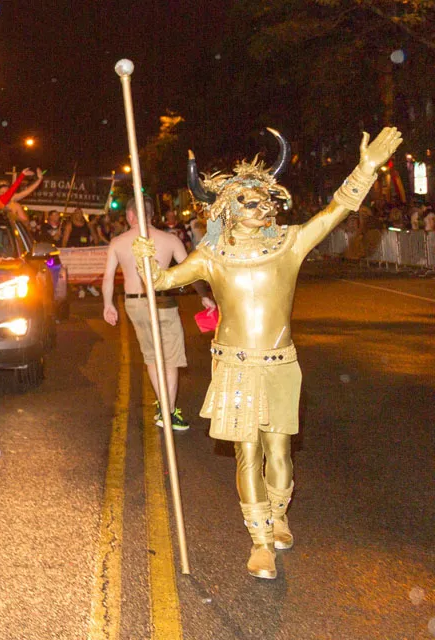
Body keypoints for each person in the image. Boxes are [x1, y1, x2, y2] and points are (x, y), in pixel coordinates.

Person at [133, 127, 401, 580]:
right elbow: (162, 282)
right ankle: (259, 541)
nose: (260, 206)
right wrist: (146, 260)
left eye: (264, 199)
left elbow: (335, 211)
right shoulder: (212, 254)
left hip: (281, 366)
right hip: (235, 368)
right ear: (227, 209)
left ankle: (278, 517)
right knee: (247, 452)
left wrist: (367, 168)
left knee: (279, 451)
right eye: (247, 201)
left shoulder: (290, 243)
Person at [103, 195, 215, 430]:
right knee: (170, 358)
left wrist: (108, 304)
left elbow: (108, 278)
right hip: (162, 302)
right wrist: (204, 296)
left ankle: (164, 407)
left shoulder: (118, 242)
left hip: (134, 304)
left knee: (152, 356)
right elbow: (189, 271)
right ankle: (168, 411)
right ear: (151, 215)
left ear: (130, 216)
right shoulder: (169, 239)